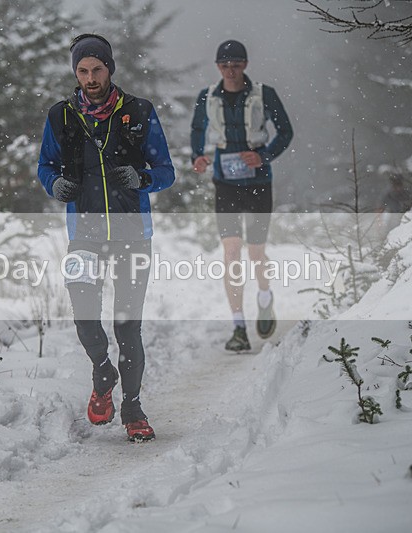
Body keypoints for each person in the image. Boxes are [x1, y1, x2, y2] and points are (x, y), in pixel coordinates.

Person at [37, 34, 175, 442]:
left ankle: (132, 408)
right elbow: (45, 164)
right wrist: (54, 183)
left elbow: (166, 170)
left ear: (109, 69)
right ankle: (103, 372)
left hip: (134, 234)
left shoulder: (139, 112)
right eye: (83, 70)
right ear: (75, 73)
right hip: (85, 235)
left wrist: (143, 178)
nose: (90, 77)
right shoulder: (61, 116)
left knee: (128, 327)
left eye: (97, 69)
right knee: (85, 317)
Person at [191, 39, 293, 352]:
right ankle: (238, 327)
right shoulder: (207, 96)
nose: (231, 70)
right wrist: (198, 156)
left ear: (245, 64)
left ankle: (265, 298)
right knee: (232, 252)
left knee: (256, 253)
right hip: (225, 182)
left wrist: (264, 155)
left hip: (259, 180)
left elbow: (285, 131)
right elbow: (197, 131)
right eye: (225, 65)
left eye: (236, 64)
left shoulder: (264, 94)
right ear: (218, 67)